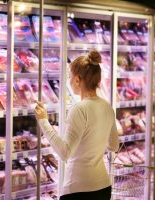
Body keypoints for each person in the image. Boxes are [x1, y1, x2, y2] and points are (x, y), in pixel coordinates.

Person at [34, 49, 119, 200]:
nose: (68, 81)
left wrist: (43, 121)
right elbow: (114, 146)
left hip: (79, 189)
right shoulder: (107, 107)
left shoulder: (79, 109)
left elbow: (65, 152)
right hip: (103, 187)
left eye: (70, 77)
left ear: (78, 80)